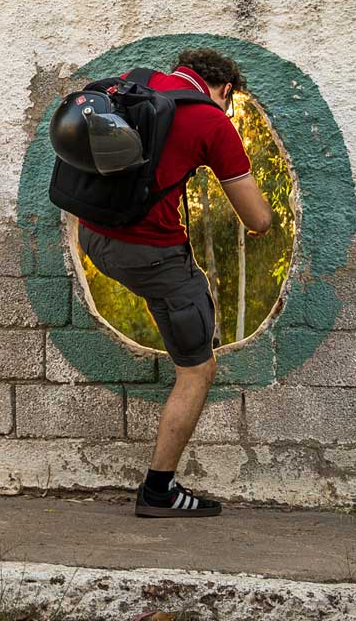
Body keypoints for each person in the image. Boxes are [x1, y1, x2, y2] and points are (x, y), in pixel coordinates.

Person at [74, 49, 273, 519]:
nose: (226, 110)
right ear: (223, 88)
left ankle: (178, 318)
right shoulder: (210, 120)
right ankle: (159, 492)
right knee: (198, 368)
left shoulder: (131, 82)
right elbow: (260, 218)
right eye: (229, 101)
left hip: (95, 236)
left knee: (174, 302)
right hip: (151, 254)